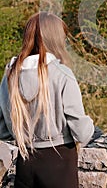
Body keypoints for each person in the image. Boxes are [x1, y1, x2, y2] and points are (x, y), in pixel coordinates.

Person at [0, 12, 95, 188]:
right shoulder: (62, 73)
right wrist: (92, 127)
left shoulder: (10, 74)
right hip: (59, 162)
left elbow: (3, 130)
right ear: (55, 39)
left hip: (25, 162)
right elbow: (82, 132)